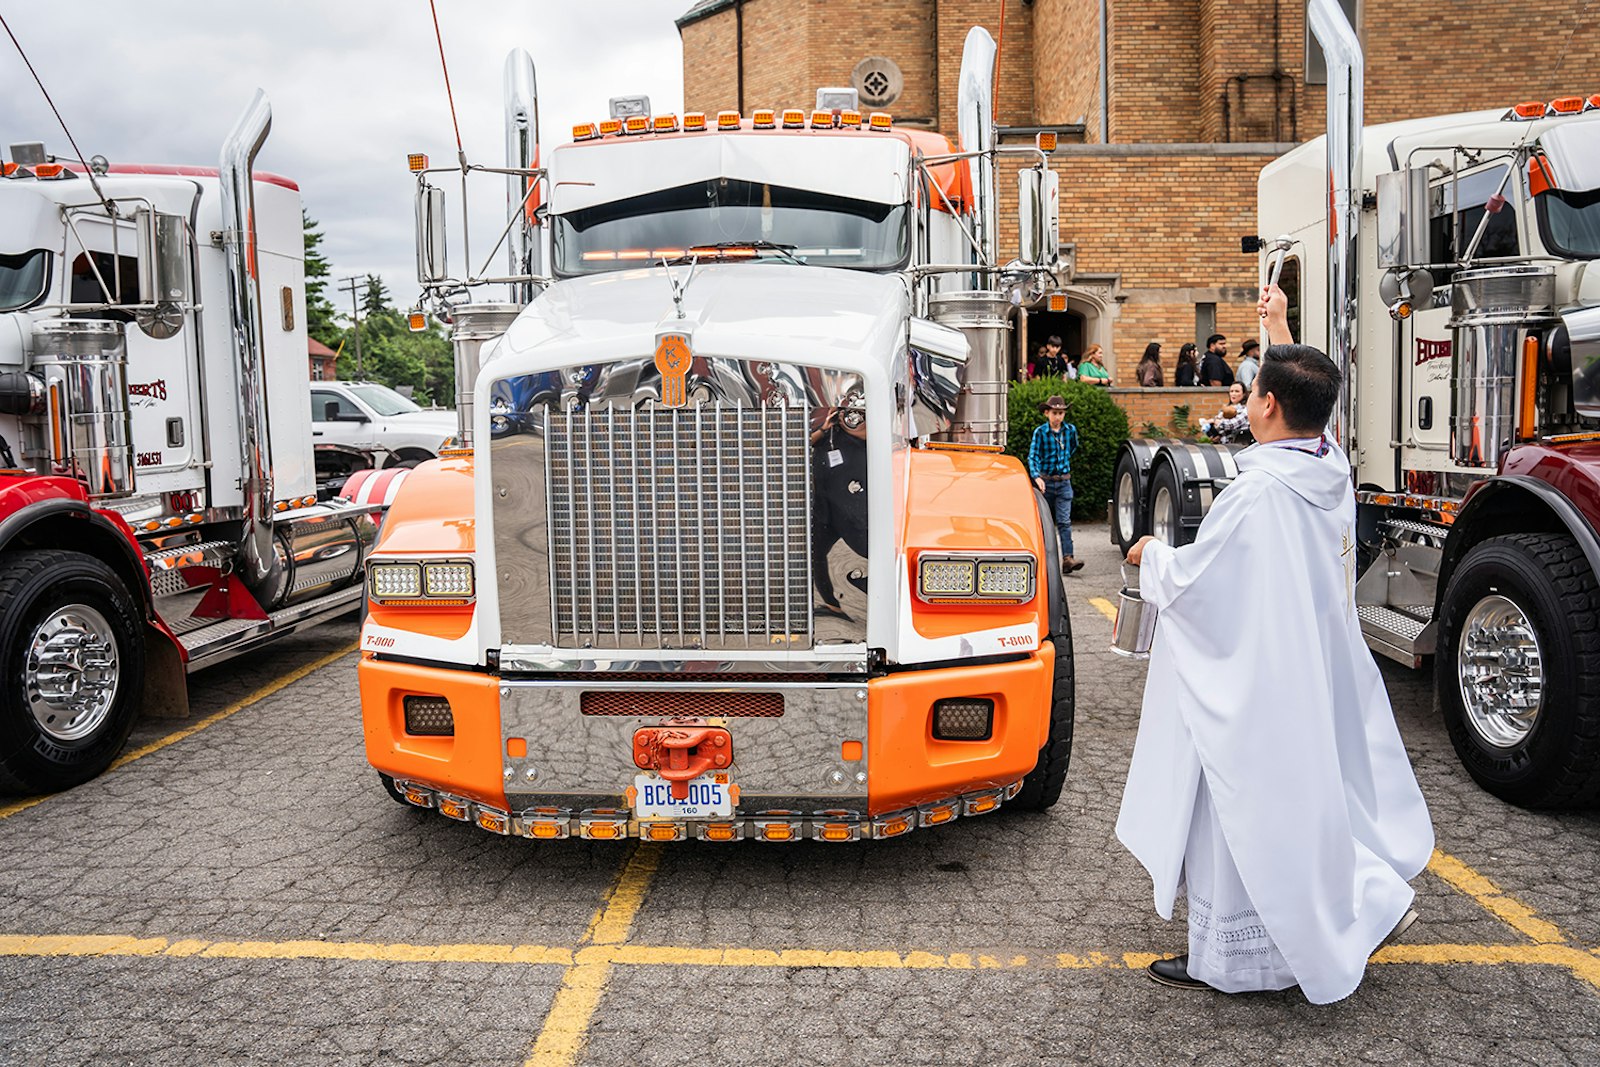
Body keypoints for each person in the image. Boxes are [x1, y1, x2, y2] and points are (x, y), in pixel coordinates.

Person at [1116, 283, 1433, 1004]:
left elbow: (1202, 581)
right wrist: (1281, 327)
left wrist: (1148, 557)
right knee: (1297, 800)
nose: (1245, 393)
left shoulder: (1258, 494)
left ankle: (1237, 960)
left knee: (1241, 807)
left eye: (1254, 387)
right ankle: (1353, 901)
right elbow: (1315, 415)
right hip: (1310, 670)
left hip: (1258, 681)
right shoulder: (1328, 471)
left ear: (1265, 406)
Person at [1026, 395, 1084, 573]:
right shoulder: (1040, 432)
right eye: (1054, 413)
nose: (1058, 417)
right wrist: (1037, 477)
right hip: (1046, 483)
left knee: (1064, 522)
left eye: (1061, 413)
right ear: (1046, 413)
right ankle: (1043, 560)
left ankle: (1068, 558)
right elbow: (1033, 456)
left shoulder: (1070, 430)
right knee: (1044, 523)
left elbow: (1073, 447)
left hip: (1064, 482)